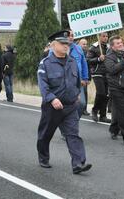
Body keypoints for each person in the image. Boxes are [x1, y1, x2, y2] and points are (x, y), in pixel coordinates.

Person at [37, 30, 92, 174]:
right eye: (62, 43)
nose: (66, 46)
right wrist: (52, 98)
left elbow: (76, 80)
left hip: (70, 106)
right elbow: (43, 86)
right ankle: (43, 157)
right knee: (45, 135)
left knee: (73, 135)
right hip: (52, 108)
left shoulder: (72, 61)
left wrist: (77, 94)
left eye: (67, 43)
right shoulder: (46, 64)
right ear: (53, 45)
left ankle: (78, 163)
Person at [105, 36, 124, 146]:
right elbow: (112, 70)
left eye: (121, 42)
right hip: (116, 88)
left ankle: (113, 129)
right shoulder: (109, 57)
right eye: (117, 43)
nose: (121, 44)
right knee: (122, 112)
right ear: (112, 46)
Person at [87, 32, 110, 123]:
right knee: (101, 93)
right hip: (97, 72)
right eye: (103, 36)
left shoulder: (109, 47)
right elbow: (88, 60)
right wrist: (98, 59)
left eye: (107, 36)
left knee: (106, 95)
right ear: (99, 37)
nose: (106, 38)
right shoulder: (93, 47)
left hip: (108, 73)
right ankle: (95, 110)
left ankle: (103, 115)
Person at [78, 38, 91, 115]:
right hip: (76, 76)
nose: (85, 45)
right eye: (83, 44)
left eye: (86, 44)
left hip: (84, 77)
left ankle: (84, 109)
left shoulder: (87, 53)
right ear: (79, 44)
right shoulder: (75, 51)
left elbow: (88, 67)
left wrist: (88, 78)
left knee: (85, 92)